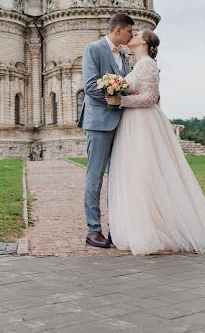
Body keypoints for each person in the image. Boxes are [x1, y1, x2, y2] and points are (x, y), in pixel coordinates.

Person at [106, 30, 205, 255]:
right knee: (138, 173)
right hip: (134, 122)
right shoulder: (140, 63)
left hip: (143, 123)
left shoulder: (147, 64)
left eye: (136, 34)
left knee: (147, 171)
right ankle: (145, 225)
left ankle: (156, 228)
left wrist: (120, 100)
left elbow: (151, 98)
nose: (130, 36)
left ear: (144, 41)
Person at [79, 13, 134, 248]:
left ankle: (116, 227)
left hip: (121, 123)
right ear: (119, 30)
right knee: (95, 177)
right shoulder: (94, 49)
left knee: (118, 178)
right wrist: (113, 99)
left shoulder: (123, 55)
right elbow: (90, 86)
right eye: (130, 31)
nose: (132, 36)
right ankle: (93, 230)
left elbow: (127, 84)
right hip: (99, 123)